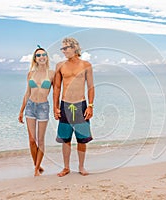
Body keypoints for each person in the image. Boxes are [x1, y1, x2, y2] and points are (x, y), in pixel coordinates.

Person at [53, 37, 95, 177]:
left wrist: (90, 106)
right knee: (65, 139)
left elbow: (90, 87)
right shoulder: (60, 65)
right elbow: (57, 87)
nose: (63, 51)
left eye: (65, 48)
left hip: (80, 105)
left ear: (74, 48)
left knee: (82, 139)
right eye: (62, 48)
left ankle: (81, 166)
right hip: (65, 105)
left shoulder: (86, 65)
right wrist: (55, 106)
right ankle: (66, 167)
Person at [18, 46, 54, 176]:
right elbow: (27, 93)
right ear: (35, 59)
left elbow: (57, 92)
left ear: (47, 57)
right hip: (30, 107)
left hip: (43, 107)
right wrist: (21, 111)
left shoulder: (52, 73)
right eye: (38, 55)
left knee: (41, 140)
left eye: (43, 54)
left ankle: (36, 169)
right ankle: (37, 165)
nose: (41, 57)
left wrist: (57, 108)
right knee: (32, 140)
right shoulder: (30, 74)